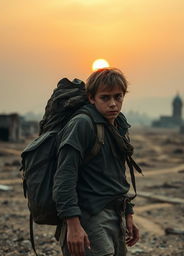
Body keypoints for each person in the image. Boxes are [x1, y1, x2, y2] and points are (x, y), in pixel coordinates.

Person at [53, 68, 140, 256]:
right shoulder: (82, 124)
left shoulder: (118, 124)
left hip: (115, 215)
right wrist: (73, 225)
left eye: (118, 97)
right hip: (89, 217)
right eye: (105, 97)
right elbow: (64, 177)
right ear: (91, 98)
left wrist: (128, 214)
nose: (113, 104)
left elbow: (116, 174)